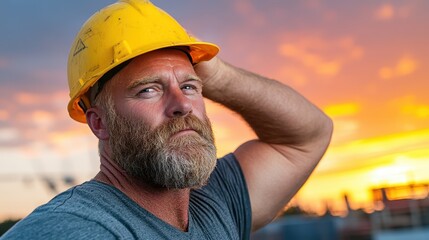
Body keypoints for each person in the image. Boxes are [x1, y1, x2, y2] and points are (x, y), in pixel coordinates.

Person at [2, 0, 333, 239]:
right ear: (99, 123)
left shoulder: (216, 203)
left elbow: (308, 135)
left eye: (189, 86)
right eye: (148, 90)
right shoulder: (76, 230)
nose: (182, 105)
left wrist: (216, 74)